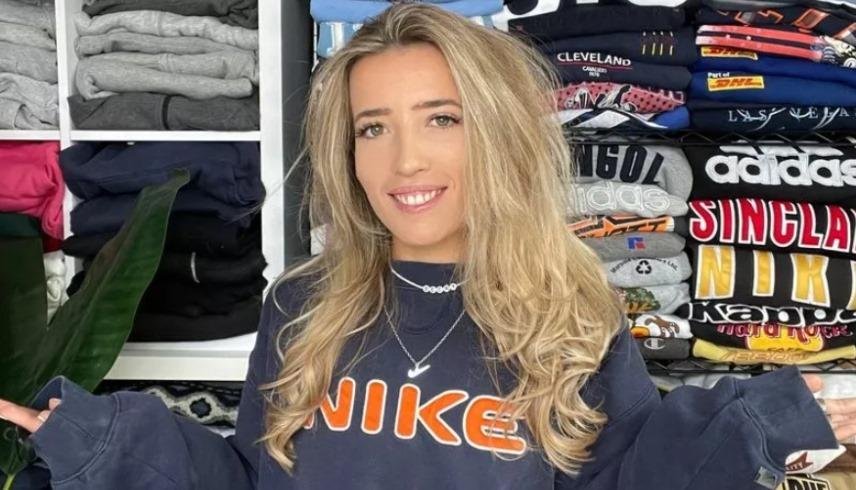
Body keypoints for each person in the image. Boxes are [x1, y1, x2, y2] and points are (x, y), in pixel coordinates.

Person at [2, 4, 856, 489]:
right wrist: (109, 444)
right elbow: (249, 479)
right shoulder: (302, 304)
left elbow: (627, 479)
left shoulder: (572, 313)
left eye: (442, 119)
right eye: (372, 128)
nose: (404, 161)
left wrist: (755, 419)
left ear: (498, 134)